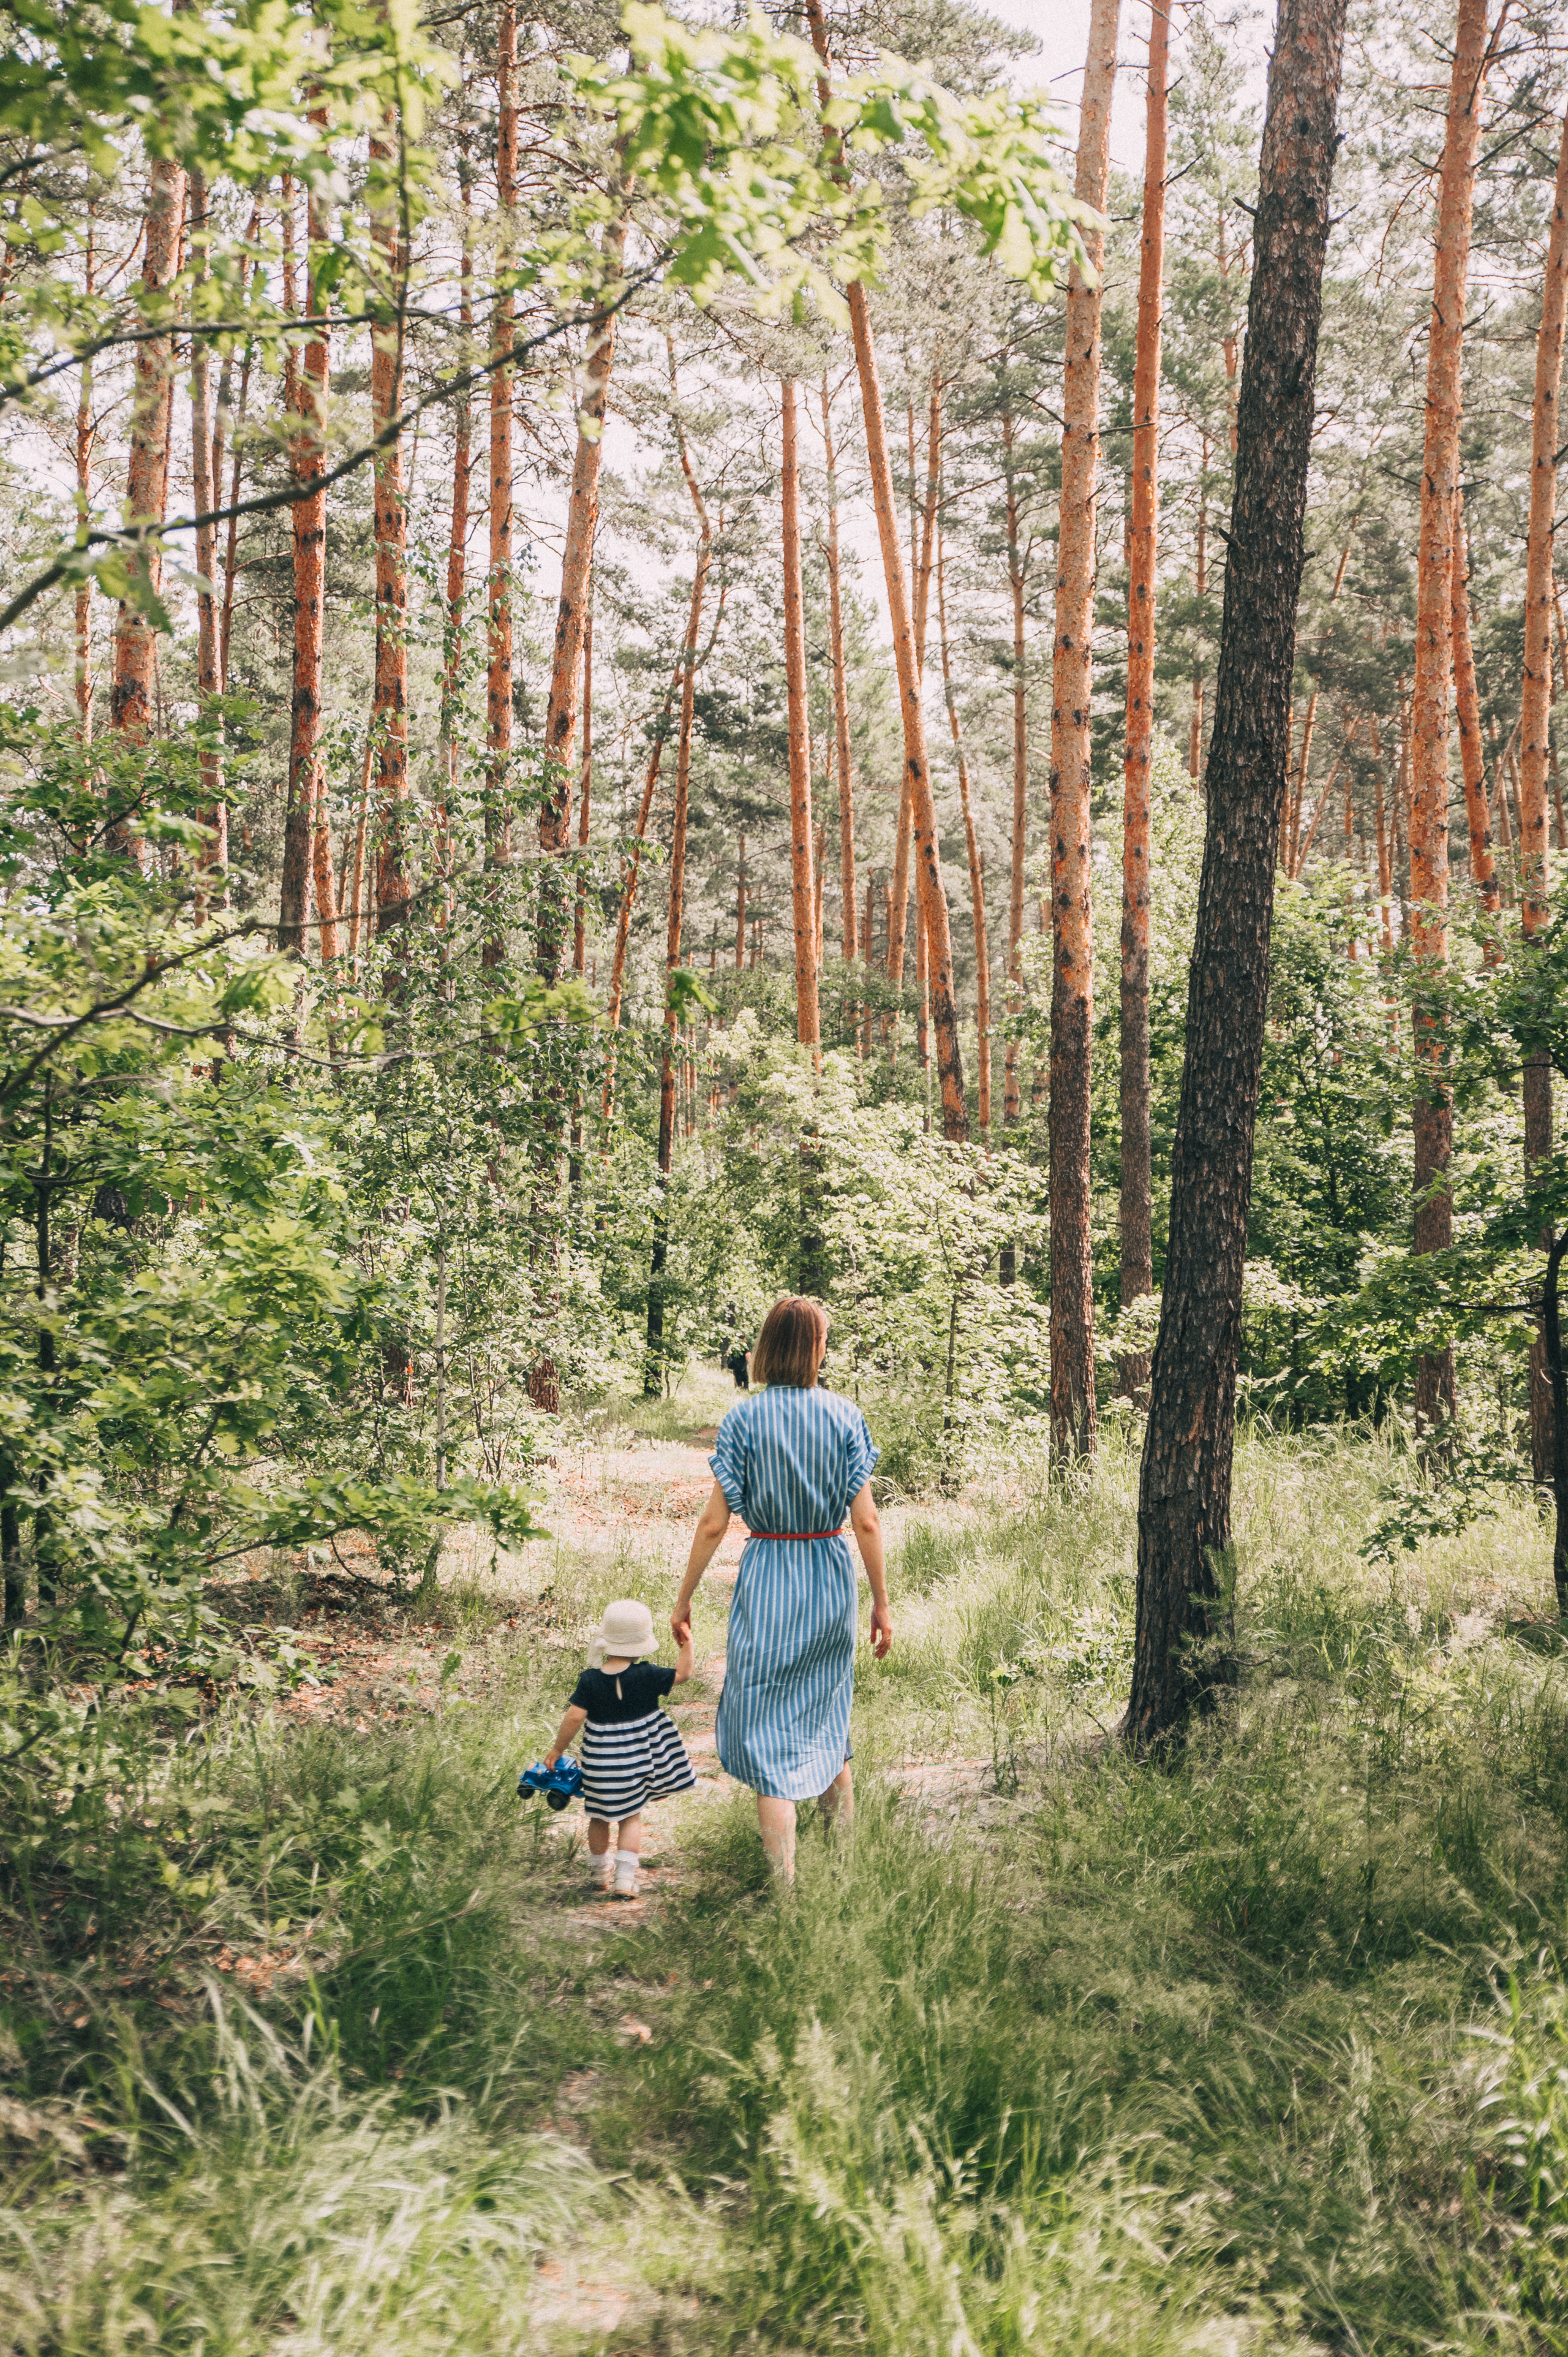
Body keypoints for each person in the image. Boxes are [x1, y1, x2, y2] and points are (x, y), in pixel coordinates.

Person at [671, 1295, 892, 1883]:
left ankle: (785, 1892)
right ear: (815, 1349)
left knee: (769, 1729)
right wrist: (881, 1603)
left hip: (769, 1574)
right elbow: (867, 1522)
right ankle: (843, 1869)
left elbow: (713, 1523)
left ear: (768, 1347)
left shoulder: (744, 1420)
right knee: (827, 1718)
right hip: (828, 1576)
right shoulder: (845, 1416)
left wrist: (685, 1596)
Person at [544, 1599, 696, 1898]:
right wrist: (687, 1643)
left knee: (598, 1816)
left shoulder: (589, 1680)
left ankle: (599, 1874)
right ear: (641, 1644)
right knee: (631, 1816)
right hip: (635, 1763)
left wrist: (557, 1750)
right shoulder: (648, 1675)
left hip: (600, 1764)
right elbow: (683, 1674)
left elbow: (574, 1717)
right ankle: (625, 1880)